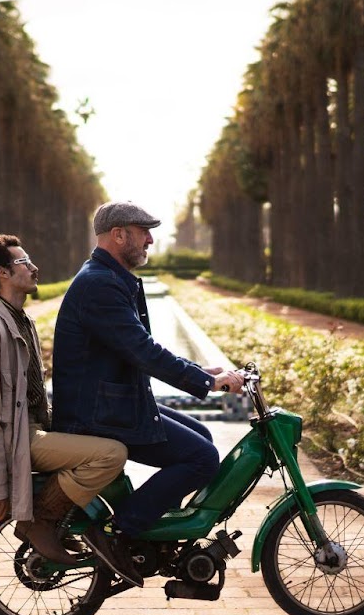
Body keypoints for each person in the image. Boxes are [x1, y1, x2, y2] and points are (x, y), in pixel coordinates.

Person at [51, 201, 245, 587]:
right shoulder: (99, 285)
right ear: (118, 235)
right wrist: (206, 383)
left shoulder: (110, 278)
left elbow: (139, 347)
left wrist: (203, 371)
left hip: (111, 403)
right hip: (96, 414)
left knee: (202, 439)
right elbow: (144, 352)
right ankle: (126, 533)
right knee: (203, 458)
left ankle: (159, 532)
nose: (151, 240)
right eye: (143, 232)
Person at [0, 234, 128, 564]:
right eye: (23, 262)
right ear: (3, 273)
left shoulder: (17, 319)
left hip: (27, 428)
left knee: (109, 429)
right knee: (111, 454)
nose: (34, 267)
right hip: (18, 439)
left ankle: (84, 524)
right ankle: (41, 519)